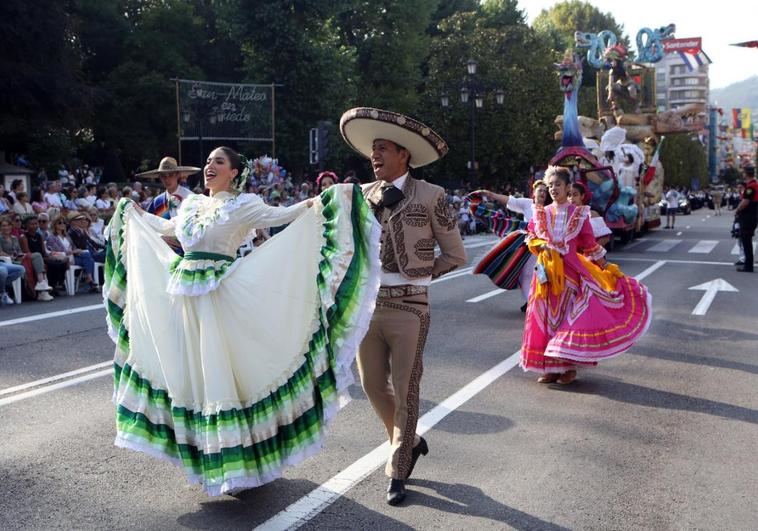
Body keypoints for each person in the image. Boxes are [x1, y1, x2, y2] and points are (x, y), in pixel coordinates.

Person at [102, 146, 380, 496]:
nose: (209, 167)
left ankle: (241, 460)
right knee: (195, 380)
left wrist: (318, 202)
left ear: (234, 172)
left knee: (228, 377)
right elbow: (172, 229)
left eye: (218, 162)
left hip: (222, 297)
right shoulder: (192, 205)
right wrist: (138, 216)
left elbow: (281, 216)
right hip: (185, 300)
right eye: (207, 162)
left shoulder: (243, 204)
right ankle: (208, 459)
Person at [340, 107, 466, 505]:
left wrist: (421, 278)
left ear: (403, 155)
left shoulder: (432, 196)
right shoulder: (362, 195)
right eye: (372, 149)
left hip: (411, 308)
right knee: (372, 384)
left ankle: (398, 468)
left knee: (407, 388)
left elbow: (456, 254)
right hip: (370, 305)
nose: (374, 155)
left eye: (382, 149)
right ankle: (409, 440)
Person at [521, 166, 651, 384]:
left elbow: (590, 245)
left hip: (571, 275)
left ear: (568, 187)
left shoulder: (578, 214)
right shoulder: (541, 212)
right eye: (550, 185)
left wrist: (608, 268)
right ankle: (552, 368)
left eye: (558, 185)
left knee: (568, 320)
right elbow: (531, 237)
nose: (553, 189)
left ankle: (569, 368)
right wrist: (541, 245)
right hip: (546, 276)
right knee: (546, 320)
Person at [470, 181, 551, 312]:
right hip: (530, 247)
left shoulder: (551, 208)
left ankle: (542, 302)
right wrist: (490, 194)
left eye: (545, 191)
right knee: (527, 275)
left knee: (545, 276)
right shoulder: (527, 203)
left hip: (547, 248)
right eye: (540, 190)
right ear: (534, 193)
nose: (543, 193)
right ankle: (531, 302)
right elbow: (509, 200)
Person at [0, 218, 54, 301]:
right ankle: (40, 285)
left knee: (36, 257)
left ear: (11, 227)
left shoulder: (14, 238)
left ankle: (42, 286)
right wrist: (10, 256)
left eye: (8, 225)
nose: (6, 227)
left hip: (18, 259)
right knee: (35, 257)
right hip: (7, 261)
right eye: (4, 226)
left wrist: (20, 255)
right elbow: (0, 253)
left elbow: (19, 251)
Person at [46, 215, 100, 292]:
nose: (62, 225)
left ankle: (90, 279)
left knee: (88, 258)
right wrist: (73, 251)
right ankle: (90, 280)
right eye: (60, 223)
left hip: (73, 257)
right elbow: (57, 251)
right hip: (64, 259)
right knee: (87, 255)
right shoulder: (52, 238)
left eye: (64, 223)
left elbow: (73, 247)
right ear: (54, 225)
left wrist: (77, 250)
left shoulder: (67, 236)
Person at [20, 216, 68, 295]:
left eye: (36, 224)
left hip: (42, 256)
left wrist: (51, 256)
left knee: (60, 261)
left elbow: (43, 251)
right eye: (32, 224)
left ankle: (56, 283)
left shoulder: (39, 236)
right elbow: (27, 252)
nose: (34, 226)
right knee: (54, 265)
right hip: (33, 258)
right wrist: (45, 259)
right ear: (26, 225)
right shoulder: (23, 237)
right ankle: (52, 285)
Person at [568, 181, 611, 247]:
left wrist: (591, 250)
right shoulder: (564, 214)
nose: (571, 198)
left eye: (575, 195)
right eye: (569, 195)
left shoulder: (592, 214)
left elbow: (605, 238)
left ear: (582, 196)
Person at [734, 166, 757, 272]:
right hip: (752, 216)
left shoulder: (751, 187)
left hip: (748, 216)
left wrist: (738, 209)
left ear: (746, 174)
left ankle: (748, 266)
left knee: (746, 241)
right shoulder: (754, 185)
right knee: (747, 241)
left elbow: (746, 201)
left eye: (743, 173)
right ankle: (748, 265)